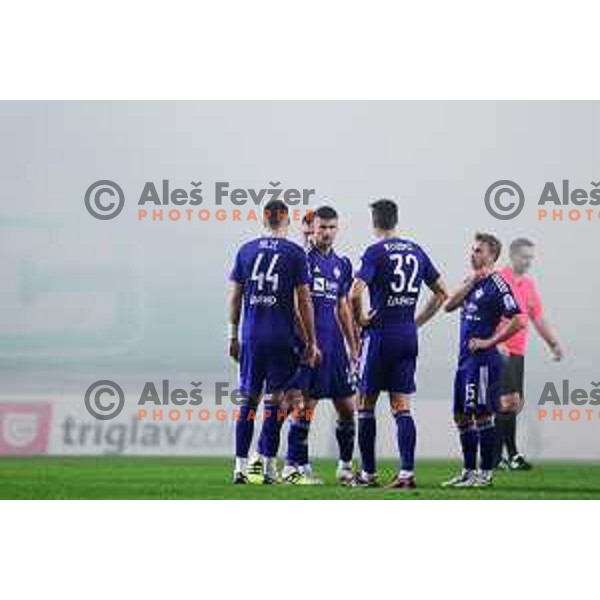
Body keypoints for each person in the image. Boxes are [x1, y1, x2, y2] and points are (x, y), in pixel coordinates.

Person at [350, 199, 448, 489]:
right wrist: (417, 321)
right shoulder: (416, 250)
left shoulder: (375, 252)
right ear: (396, 220)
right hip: (407, 334)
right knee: (402, 406)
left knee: (364, 404)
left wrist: (361, 320)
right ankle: (406, 473)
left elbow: (355, 293)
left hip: (380, 336)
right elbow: (443, 292)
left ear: (374, 222)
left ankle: (368, 474)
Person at [228, 199, 319, 484]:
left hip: (251, 336)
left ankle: (240, 468)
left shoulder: (246, 250)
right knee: (276, 401)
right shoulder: (294, 253)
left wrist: (232, 334)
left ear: (264, 220)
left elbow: (234, 297)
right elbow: (303, 300)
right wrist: (311, 340)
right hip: (281, 338)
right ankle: (267, 466)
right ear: (287, 221)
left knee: (248, 403)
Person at [281, 205, 359, 485]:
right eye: (321, 227)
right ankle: (294, 465)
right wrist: (304, 342)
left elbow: (343, 306)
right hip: (308, 346)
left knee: (348, 408)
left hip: (335, 346)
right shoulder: (302, 260)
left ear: (337, 229)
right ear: (312, 229)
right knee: (305, 407)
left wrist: (354, 345)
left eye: (331, 227)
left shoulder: (342, 264)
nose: (326, 232)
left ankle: (345, 466)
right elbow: (294, 304)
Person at [443, 233, 523, 488]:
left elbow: (519, 319)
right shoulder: (473, 281)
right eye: (473, 249)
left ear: (492, 256)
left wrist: (490, 342)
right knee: (460, 416)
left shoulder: (498, 284)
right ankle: (468, 471)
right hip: (464, 360)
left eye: (479, 250)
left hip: (484, 361)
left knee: (481, 415)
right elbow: (448, 306)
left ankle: (485, 473)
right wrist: (470, 283)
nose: (473, 254)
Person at [495, 237, 564, 470]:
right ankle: (512, 456)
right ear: (513, 256)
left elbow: (537, 317)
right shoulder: (498, 280)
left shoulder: (528, 285)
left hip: (518, 351)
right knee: (509, 401)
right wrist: (496, 341)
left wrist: (553, 343)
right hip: (499, 350)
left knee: (513, 404)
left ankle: (495, 457)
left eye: (531, 258)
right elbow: (486, 312)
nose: (528, 262)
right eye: (525, 257)